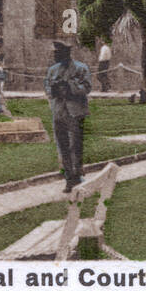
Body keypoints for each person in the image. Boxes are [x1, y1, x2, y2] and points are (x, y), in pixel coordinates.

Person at [44, 40, 92, 192]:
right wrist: (55, 89)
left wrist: (70, 87)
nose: (55, 55)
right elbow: (47, 88)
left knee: (76, 146)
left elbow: (87, 87)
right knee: (62, 146)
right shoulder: (52, 70)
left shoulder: (80, 68)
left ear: (67, 53)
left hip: (75, 113)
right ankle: (69, 178)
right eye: (54, 53)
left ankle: (77, 175)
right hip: (59, 112)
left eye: (58, 53)